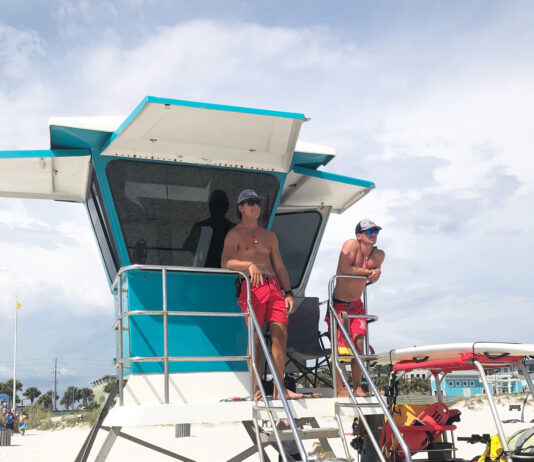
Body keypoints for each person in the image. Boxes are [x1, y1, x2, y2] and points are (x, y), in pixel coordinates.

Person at [221, 189, 303, 400]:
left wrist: (288, 293)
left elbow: (279, 266)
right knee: (255, 338)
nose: (255, 205)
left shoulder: (269, 236)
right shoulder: (234, 234)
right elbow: (226, 262)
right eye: (249, 202)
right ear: (241, 208)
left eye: (257, 202)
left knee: (280, 333)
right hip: (252, 287)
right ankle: (257, 390)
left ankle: (279, 390)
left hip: (273, 286)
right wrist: (249, 265)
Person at [328, 219, 385, 397]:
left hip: (357, 305)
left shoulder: (379, 255)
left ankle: (357, 387)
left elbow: (374, 276)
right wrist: (369, 272)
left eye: (375, 231)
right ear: (359, 235)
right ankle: (340, 389)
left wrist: (377, 272)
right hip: (339, 303)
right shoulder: (351, 245)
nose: (373, 235)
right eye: (369, 232)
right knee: (338, 349)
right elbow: (344, 268)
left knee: (360, 345)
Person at [183, 190, 235, 268]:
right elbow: (187, 247)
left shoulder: (200, 227)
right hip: (213, 272)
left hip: (213, 272)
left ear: (210, 206)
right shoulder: (234, 228)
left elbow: (187, 247)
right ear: (227, 206)